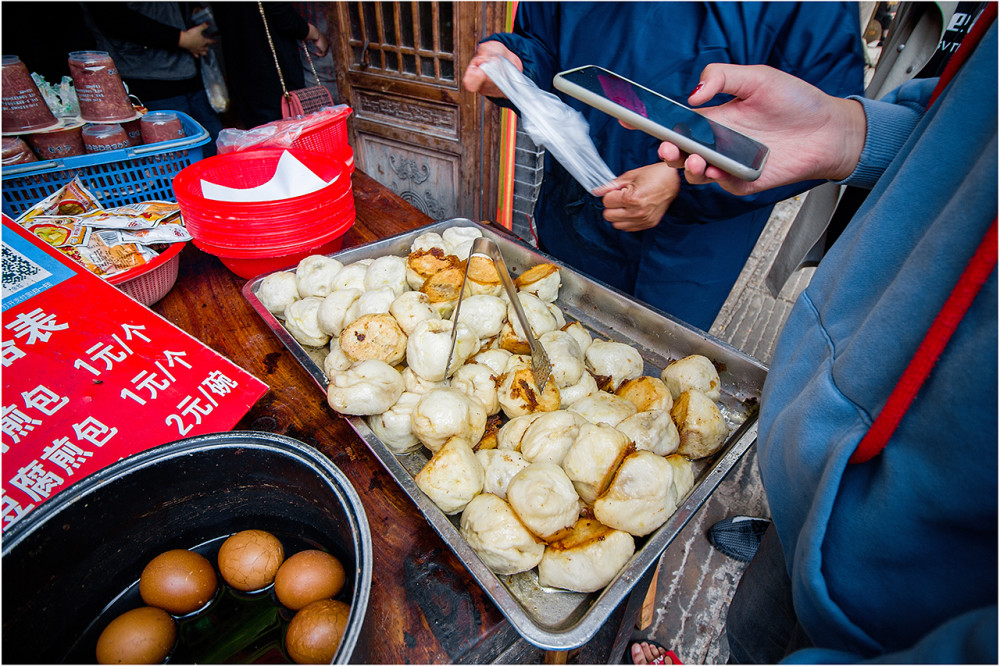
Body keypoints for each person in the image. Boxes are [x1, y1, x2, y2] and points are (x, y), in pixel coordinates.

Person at [655, 8, 997, 664]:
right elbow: (970, 128)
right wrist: (852, 130)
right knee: (748, 640)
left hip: (930, 601)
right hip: (822, 469)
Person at [462, 3, 865, 330]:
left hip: (686, 247)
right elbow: (545, 44)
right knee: (548, 323)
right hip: (574, 205)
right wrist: (516, 68)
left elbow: (814, 128)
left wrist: (683, 180)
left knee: (649, 360)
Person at [81, 2, 224, 153]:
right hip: (145, 73)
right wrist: (180, 38)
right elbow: (111, 16)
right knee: (172, 156)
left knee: (213, 146)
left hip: (190, 71)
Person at [213, 2, 329, 129]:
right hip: (271, 67)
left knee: (260, 130)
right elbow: (283, 16)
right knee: (286, 127)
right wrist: (312, 33)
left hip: (241, 63)